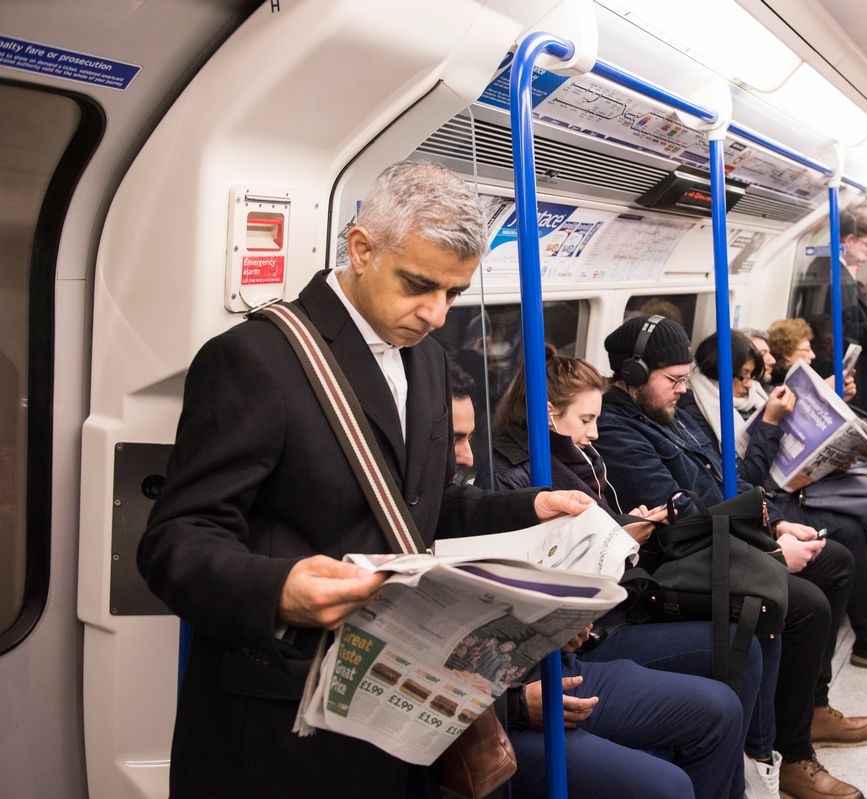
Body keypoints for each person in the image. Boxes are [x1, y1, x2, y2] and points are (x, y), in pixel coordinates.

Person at [137, 161, 601, 799]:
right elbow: (175, 541)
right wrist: (278, 590)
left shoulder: (428, 361)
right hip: (282, 722)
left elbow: (421, 506)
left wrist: (530, 507)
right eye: (419, 285)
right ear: (361, 250)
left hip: (398, 701)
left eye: (454, 293)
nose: (436, 313)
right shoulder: (254, 360)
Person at [594, 314, 867, 799]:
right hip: (679, 562)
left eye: (685, 379)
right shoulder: (618, 431)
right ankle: (787, 754)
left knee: (835, 562)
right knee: (800, 605)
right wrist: (771, 551)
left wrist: (776, 524)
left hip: (724, 539)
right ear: (633, 375)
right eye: (673, 380)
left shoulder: (671, 414)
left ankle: (810, 709)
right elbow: (682, 517)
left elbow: (725, 477)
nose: (682, 389)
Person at [451, 354, 746, 799]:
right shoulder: (506, 482)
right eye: (586, 419)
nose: (468, 455)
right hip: (517, 690)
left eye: (470, 437)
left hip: (561, 652)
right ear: (550, 415)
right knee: (668, 784)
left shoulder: (578, 467)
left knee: (723, 700)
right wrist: (514, 705)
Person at [679, 330, 867, 674]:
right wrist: (770, 423)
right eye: (742, 376)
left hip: (781, 490)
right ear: (718, 373)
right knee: (849, 532)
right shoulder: (700, 414)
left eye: (753, 375)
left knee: (864, 515)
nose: (749, 385)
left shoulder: (752, 396)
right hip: (758, 501)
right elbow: (743, 479)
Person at [800, 209, 867, 416]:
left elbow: (845, 315)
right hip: (842, 372)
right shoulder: (835, 275)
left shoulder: (833, 270)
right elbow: (845, 332)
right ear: (849, 240)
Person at [766, 318, 856, 401]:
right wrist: (822, 390)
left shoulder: (800, 382)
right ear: (787, 353)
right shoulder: (775, 389)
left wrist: (838, 400)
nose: (813, 355)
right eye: (807, 350)